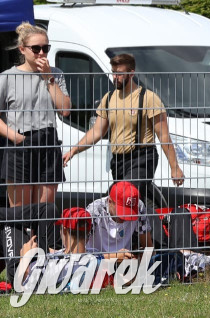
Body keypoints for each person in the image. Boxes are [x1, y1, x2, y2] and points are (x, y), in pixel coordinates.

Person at [63, 53, 185, 210]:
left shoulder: (148, 98)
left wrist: (174, 167)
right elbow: (96, 132)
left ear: (131, 73)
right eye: (113, 73)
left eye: (119, 73)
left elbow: (163, 135)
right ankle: (144, 224)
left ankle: (141, 224)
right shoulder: (108, 99)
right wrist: (73, 150)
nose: (115, 77)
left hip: (141, 158)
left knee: (126, 197)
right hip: (118, 161)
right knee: (126, 206)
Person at [0, 22, 70, 206]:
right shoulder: (8, 77)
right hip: (20, 142)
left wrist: (48, 77)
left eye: (45, 48)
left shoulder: (56, 74)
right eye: (36, 48)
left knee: (45, 211)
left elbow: (65, 109)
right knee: (21, 213)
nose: (41, 53)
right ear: (22, 49)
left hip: (48, 141)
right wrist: (16, 138)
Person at [17, 206, 104, 294]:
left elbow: (22, 289)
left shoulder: (51, 265)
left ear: (64, 231)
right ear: (88, 231)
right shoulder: (97, 255)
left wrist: (24, 259)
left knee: (13, 225)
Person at [85, 181, 154, 261]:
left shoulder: (139, 207)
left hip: (125, 261)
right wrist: (114, 257)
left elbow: (148, 247)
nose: (125, 218)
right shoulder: (94, 210)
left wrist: (141, 256)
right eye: (122, 212)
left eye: (130, 214)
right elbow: (80, 255)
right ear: (110, 202)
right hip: (96, 263)